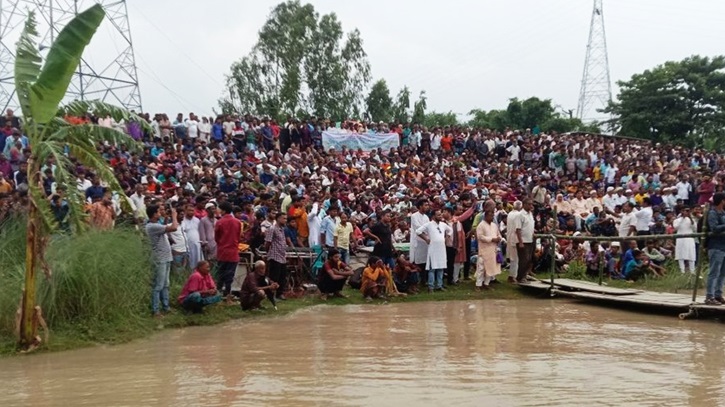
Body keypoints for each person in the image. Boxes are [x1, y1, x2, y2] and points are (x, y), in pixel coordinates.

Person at [145, 204, 178, 318]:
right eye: (159, 211)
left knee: (165, 284)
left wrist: (167, 218)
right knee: (158, 285)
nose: (161, 213)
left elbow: (165, 228)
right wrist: (174, 216)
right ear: (154, 214)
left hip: (165, 258)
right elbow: (174, 227)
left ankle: (166, 307)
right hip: (160, 259)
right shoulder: (151, 226)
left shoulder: (156, 225)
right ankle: (155, 310)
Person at [416, 209, 452, 293]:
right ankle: (431, 286)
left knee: (441, 267)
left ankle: (439, 285)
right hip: (433, 248)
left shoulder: (443, 224)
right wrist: (426, 239)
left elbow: (450, 230)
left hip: (442, 248)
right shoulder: (429, 225)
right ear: (433, 216)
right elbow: (418, 231)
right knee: (432, 268)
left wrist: (447, 237)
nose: (441, 216)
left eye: (441, 214)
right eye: (438, 215)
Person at [214, 201, 242, 300]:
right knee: (230, 275)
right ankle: (227, 294)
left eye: (219, 209)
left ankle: (219, 294)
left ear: (224, 210)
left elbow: (217, 238)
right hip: (233, 252)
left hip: (222, 252)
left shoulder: (219, 222)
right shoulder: (238, 222)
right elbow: (239, 237)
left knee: (220, 274)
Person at [475, 210, 502, 291]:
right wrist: (491, 239)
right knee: (481, 268)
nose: (492, 217)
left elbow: (499, 234)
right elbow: (480, 237)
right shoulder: (481, 225)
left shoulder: (494, 225)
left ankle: (486, 284)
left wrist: (499, 238)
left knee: (490, 267)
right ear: (486, 216)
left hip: (493, 250)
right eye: (490, 216)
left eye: (493, 216)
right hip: (484, 250)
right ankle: (478, 285)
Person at [706, 193, 725, 305]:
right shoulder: (713, 213)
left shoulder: (723, 213)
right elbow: (714, 228)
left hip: (723, 246)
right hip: (716, 246)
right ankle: (709, 296)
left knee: (722, 273)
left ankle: (718, 294)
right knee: (714, 272)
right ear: (722, 201)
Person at [265, 212, 288, 300]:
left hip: (282, 256)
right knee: (274, 277)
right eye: (283, 218)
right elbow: (267, 242)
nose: (285, 220)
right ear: (278, 219)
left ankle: (279, 294)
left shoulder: (282, 229)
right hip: (275, 256)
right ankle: (271, 294)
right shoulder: (272, 228)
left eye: (286, 218)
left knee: (282, 276)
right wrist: (268, 253)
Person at [513, 199, 536, 284]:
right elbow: (518, 229)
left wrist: (533, 233)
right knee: (524, 260)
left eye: (531, 204)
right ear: (524, 204)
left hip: (530, 239)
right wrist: (520, 242)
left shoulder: (530, 214)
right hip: (523, 240)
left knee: (529, 259)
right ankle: (520, 277)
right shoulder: (520, 215)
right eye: (529, 204)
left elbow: (530, 226)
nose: (531, 206)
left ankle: (524, 275)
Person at [673, 207, 696, 274]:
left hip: (689, 239)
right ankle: (682, 272)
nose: (686, 212)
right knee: (681, 255)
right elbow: (676, 227)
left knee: (691, 254)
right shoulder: (677, 220)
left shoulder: (691, 219)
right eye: (684, 211)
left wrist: (690, 218)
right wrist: (682, 218)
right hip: (681, 239)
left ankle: (692, 271)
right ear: (681, 211)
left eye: (687, 211)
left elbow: (694, 228)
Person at [181, 204, 203, 272]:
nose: (191, 212)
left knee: (198, 262)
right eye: (189, 210)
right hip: (188, 245)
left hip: (197, 245)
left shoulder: (197, 220)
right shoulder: (182, 221)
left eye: (193, 210)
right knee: (189, 263)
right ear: (185, 211)